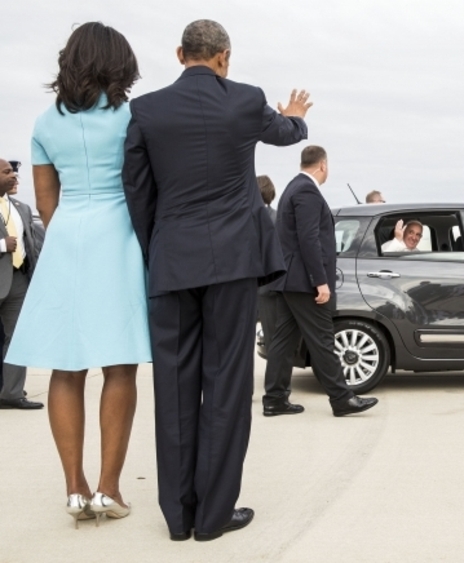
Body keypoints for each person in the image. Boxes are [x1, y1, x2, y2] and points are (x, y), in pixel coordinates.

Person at [122, 19, 310, 542]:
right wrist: (295, 116)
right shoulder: (247, 100)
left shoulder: (146, 109)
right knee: (226, 384)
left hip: (171, 262)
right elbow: (286, 132)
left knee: (173, 389)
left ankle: (177, 518)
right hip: (231, 264)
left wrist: (156, 248)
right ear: (225, 57)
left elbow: (137, 191)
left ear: (180, 53)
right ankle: (214, 515)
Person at [6, 22, 151, 528]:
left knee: (65, 369)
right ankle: (110, 488)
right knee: (119, 364)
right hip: (120, 237)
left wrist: (68, 227)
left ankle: (74, 488)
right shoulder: (133, 117)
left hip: (68, 237)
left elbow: (46, 203)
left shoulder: (46, 124)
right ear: (120, 63)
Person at [263, 146, 378, 417]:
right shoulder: (307, 191)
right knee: (323, 338)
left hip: (290, 280)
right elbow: (309, 238)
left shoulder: (293, 186)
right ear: (323, 165)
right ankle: (341, 398)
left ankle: (275, 399)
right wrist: (320, 281)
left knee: (282, 340)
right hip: (304, 282)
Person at [0, 159, 42, 411]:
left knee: (18, 340)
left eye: (13, 173)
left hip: (17, 281)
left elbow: (33, 245)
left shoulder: (22, 208)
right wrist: (2, 245)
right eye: (6, 172)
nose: (14, 176)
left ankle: (11, 394)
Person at [256, 173, 279, 382]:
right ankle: (274, 387)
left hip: (246, 286)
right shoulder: (276, 217)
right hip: (270, 287)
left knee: (240, 343)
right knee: (273, 340)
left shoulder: (242, 217)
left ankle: (245, 388)